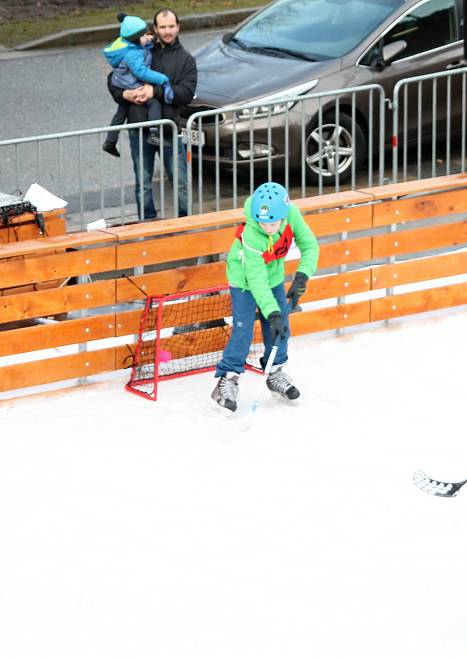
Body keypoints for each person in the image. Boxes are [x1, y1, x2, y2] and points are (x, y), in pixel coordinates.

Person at [211, 182, 319, 413]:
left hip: (273, 275)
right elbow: (256, 280)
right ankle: (227, 380)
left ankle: (275, 373)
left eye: (272, 223)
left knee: (281, 328)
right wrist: (272, 313)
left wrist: (302, 276)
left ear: (282, 215)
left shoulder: (291, 214)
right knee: (244, 329)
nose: (267, 228)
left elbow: (310, 245)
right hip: (244, 279)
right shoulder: (252, 233)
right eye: (263, 222)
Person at [106, 8, 197, 220]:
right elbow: (114, 78)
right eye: (162, 27)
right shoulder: (140, 48)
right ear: (155, 29)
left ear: (178, 27)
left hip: (169, 130)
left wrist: (155, 91)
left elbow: (185, 93)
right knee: (143, 183)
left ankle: (186, 223)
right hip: (139, 130)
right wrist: (125, 94)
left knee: (181, 182)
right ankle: (147, 224)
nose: (167, 31)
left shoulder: (187, 60)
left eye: (171, 26)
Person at [102, 14, 174, 158]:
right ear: (135, 39)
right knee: (154, 104)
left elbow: (144, 43)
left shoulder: (127, 44)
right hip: (132, 85)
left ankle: (110, 141)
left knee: (121, 112)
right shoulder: (132, 55)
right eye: (143, 35)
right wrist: (162, 78)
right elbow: (142, 73)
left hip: (122, 82)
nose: (146, 37)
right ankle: (154, 134)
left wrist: (150, 39)